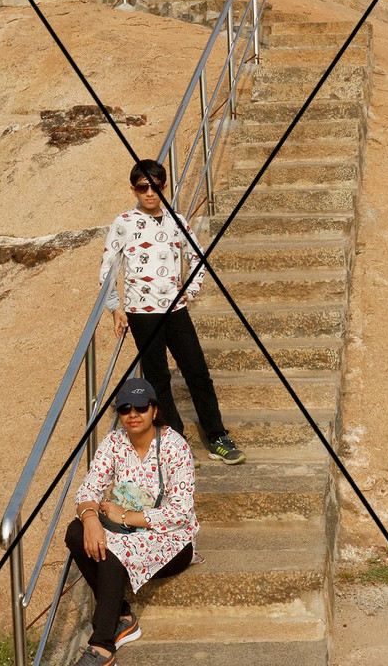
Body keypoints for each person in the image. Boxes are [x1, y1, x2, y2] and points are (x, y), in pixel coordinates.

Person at [99, 158, 245, 465]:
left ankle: (217, 435)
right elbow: (108, 267)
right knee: (158, 377)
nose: (150, 194)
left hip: (176, 310)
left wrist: (190, 291)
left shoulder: (177, 221)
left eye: (156, 187)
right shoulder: (123, 222)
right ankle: (175, 439)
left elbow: (197, 258)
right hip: (141, 312)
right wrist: (115, 308)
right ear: (134, 189)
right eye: (143, 188)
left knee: (198, 373)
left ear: (165, 188)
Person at [64, 378, 198, 666]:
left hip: (170, 539)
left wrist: (125, 516)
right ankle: (122, 615)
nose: (133, 414)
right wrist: (90, 519)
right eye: (125, 408)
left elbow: (181, 511)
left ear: (154, 410)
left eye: (140, 407)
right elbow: (88, 490)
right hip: (124, 533)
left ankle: (102, 645)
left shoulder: (175, 447)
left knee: (112, 553)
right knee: (76, 532)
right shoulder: (113, 443)